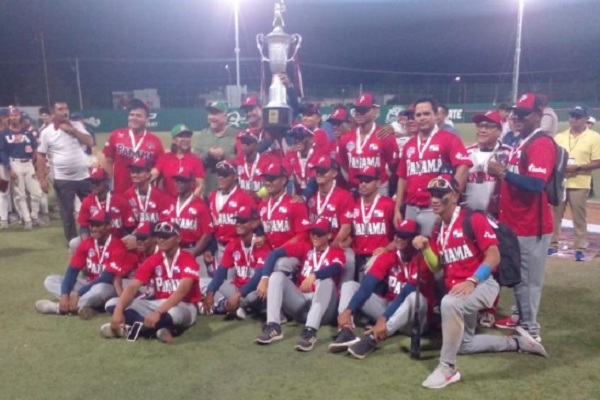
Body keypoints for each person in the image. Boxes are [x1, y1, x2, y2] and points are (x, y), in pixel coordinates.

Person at [412, 175, 547, 390]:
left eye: (440, 195)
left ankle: (447, 369)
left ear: (454, 196)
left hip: (482, 286)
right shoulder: (439, 228)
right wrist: (426, 247)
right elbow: (437, 266)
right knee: (465, 344)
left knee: (448, 303)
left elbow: (493, 255)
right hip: (461, 290)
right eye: (432, 195)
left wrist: (472, 281)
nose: (434, 200)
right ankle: (518, 342)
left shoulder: (472, 218)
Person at [488, 93, 556, 341]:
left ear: (539, 114)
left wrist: (503, 173)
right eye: (516, 112)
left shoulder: (540, 143)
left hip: (531, 225)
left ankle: (530, 331)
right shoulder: (521, 140)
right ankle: (518, 317)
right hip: (515, 223)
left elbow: (537, 184)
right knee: (518, 276)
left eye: (524, 113)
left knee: (528, 281)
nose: (517, 116)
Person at [330, 219, 433, 359]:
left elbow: (407, 291)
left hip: (414, 319)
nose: (397, 238)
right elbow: (368, 286)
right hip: (390, 309)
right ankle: (345, 330)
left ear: (414, 239)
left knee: (414, 297)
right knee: (350, 285)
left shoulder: (422, 258)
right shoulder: (389, 256)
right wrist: (348, 310)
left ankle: (373, 338)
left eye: (403, 236)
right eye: (397, 234)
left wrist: (384, 318)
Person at [101, 221, 200, 343]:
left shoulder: (188, 259)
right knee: (113, 303)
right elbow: (133, 286)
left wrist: (158, 312)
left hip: (184, 305)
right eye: (159, 236)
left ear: (178, 238)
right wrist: (118, 310)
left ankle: (136, 329)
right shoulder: (154, 259)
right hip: (158, 303)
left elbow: (182, 291)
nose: (161, 240)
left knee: (175, 313)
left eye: (166, 237)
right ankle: (161, 329)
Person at [255, 217, 344, 352]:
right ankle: (273, 326)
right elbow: (274, 254)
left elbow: (336, 268)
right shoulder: (305, 248)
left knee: (326, 281)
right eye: (313, 232)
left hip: (325, 310)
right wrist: (264, 278)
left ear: (329, 235)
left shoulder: (336, 252)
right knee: (276, 276)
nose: (315, 236)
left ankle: (310, 332)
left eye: (319, 233)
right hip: (301, 304)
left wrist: (315, 275)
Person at [394, 97, 472, 236]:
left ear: (436, 115)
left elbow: (463, 167)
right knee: (411, 252)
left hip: (434, 208)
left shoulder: (449, 138)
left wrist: (450, 201)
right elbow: (402, 178)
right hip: (411, 208)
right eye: (418, 115)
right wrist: (397, 209)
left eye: (426, 114)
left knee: (435, 252)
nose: (422, 118)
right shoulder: (409, 145)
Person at [35, 210, 132, 319]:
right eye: (92, 225)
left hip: (108, 286)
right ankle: (82, 305)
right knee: (50, 280)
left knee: (100, 289)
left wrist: (79, 293)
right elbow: (72, 271)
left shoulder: (117, 245)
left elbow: (106, 277)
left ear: (108, 226)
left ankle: (58, 308)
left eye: (98, 225)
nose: (94, 229)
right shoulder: (86, 244)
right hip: (88, 284)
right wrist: (65, 294)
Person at [36, 101, 94, 241]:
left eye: (66, 108)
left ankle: (93, 238)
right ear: (53, 113)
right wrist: (42, 179)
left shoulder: (77, 125)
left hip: (84, 176)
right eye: (60, 109)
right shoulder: (47, 132)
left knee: (92, 209)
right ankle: (73, 242)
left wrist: (73, 131)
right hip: (63, 179)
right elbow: (41, 155)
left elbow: (90, 142)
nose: (64, 112)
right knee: (67, 213)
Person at [549, 105, 600, 261]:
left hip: (580, 182)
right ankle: (551, 245)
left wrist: (578, 167)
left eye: (577, 117)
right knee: (555, 216)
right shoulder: (559, 137)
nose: (573, 120)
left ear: (585, 119)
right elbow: (551, 158)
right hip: (560, 182)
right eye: (572, 116)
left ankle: (579, 248)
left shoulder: (594, 137)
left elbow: (598, 161)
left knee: (579, 217)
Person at [202, 205, 271, 318]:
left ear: (253, 224)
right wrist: (210, 292)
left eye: (243, 221)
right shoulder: (233, 244)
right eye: (237, 221)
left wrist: (239, 294)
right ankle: (234, 306)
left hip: (254, 290)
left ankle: (225, 306)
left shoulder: (261, 244)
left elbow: (258, 276)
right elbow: (221, 272)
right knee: (211, 284)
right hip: (237, 288)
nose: (239, 224)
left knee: (254, 297)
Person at [338, 94, 399, 195]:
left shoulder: (385, 136)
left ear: (375, 112)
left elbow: (394, 166)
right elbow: (344, 164)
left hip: (379, 188)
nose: (358, 113)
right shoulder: (345, 138)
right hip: (355, 189)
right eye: (357, 110)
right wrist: (353, 181)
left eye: (363, 110)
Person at [256, 162, 309, 276]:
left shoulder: (295, 203)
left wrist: (281, 249)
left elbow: (302, 235)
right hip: (271, 252)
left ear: (283, 180)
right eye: (266, 179)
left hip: (291, 254)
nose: (268, 182)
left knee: (279, 264)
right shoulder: (263, 205)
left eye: (272, 178)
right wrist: (263, 239)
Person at [306, 156, 354, 281]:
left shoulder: (344, 195)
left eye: (324, 171)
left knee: (349, 259)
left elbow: (346, 227)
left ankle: (344, 295)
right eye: (317, 171)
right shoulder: (311, 197)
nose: (319, 174)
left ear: (334, 173)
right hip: (315, 243)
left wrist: (333, 245)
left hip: (335, 243)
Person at [103, 99, 164, 195]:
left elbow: (159, 166)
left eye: (138, 116)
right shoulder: (116, 135)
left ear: (147, 120)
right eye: (132, 115)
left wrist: (147, 180)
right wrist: (108, 186)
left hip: (143, 195)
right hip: (120, 191)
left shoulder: (155, 141)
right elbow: (108, 161)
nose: (134, 118)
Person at [71, 167, 135, 253]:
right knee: (74, 243)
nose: (93, 185)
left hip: (117, 238)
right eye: (92, 182)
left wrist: (119, 243)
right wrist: (86, 242)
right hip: (95, 239)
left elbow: (128, 227)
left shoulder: (120, 200)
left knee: (131, 240)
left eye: (97, 182)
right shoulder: (87, 201)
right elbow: (84, 227)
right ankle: (85, 265)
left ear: (105, 182)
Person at [0, 107, 43, 229]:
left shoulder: (27, 133)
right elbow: (2, 152)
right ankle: (27, 220)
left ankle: (34, 217)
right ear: (9, 117)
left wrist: (36, 166)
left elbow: (36, 150)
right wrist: (9, 167)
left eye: (16, 115)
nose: (14, 117)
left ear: (20, 116)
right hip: (14, 163)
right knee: (16, 194)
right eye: (12, 115)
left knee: (37, 193)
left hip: (29, 164)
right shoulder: (4, 134)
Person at [351, 166, 396, 281]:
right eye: (361, 181)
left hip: (379, 257)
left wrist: (387, 249)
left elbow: (400, 236)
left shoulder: (388, 205)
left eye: (368, 180)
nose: (363, 184)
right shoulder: (353, 205)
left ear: (378, 182)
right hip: (358, 258)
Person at [465, 111, 513, 217]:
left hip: (498, 215)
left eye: (488, 127)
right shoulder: (466, 153)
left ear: (500, 131)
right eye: (479, 126)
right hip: (469, 215)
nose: (482, 130)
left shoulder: (509, 153)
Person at [165, 166, 214, 266]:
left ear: (191, 183)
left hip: (193, 249)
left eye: (183, 181)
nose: (179, 183)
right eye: (177, 180)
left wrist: (193, 253)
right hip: (173, 250)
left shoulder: (200, 205)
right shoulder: (170, 202)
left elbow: (207, 234)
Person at [207, 160, 255, 263]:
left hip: (237, 247)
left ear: (235, 176)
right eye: (219, 174)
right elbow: (211, 227)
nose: (221, 177)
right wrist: (210, 248)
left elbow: (256, 222)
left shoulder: (245, 197)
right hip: (218, 247)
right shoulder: (212, 196)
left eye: (225, 174)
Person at [193, 101, 237, 194]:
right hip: (208, 191)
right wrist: (207, 154)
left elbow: (242, 161)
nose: (211, 117)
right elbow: (194, 160)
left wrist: (225, 155)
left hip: (231, 193)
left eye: (215, 114)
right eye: (210, 113)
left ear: (225, 117)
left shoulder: (236, 135)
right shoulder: (203, 135)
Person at [152, 124, 205, 199]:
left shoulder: (196, 160)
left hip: (188, 202)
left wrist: (189, 202)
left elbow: (200, 185)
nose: (185, 139)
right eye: (181, 136)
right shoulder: (164, 158)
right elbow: (153, 174)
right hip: (168, 203)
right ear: (174, 140)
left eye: (187, 136)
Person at [124, 157, 170, 225]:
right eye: (132, 172)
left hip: (155, 234)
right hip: (135, 234)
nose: (135, 175)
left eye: (138, 172)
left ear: (148, 174)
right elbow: (127, 223)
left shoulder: (160, 196)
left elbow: (165, 221)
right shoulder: (127, 195)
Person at [235, 131, 276, 199]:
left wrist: (256, 196)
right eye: (243, 142)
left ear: (257, 145)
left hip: (261, 203)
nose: (244, 145)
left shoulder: (267, 162)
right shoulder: (238, 161)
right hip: (242, 202)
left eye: (248, 143)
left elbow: (272, 186)